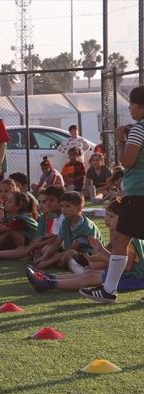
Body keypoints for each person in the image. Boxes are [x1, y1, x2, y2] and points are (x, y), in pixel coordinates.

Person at [80, 85, 144, 303]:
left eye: (132, 105)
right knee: (120, 238)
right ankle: (108, 289)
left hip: (138, 193)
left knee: (121, 238)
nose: (130, 108)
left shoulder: (138, 129)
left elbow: (127, 161)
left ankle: (109, 290)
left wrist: (119, 140)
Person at [28, 199, 143, 294]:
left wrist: (102, 254)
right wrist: (101, 250)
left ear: (124, 220)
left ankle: (48, 283)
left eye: (111, 216)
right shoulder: (121, 236)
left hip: (135, 279)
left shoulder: (129, 239)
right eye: (107, 215)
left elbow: (127, 266)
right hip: (128, 275)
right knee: (89, 274)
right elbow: (118, 260)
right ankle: (47, 277)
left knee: (90, 277)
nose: (107, 218)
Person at [34, 191, 103, 270]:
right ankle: (55, 261)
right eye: (62, 206)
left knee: (69, 254)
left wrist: (47, 262)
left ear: (79, 208)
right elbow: (57, 242)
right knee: (46, 248)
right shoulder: (66, 221)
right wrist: (43, 257)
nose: (63, 209)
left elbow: (73, 248)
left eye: (67, 206)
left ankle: (55, 263)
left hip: (88, 256)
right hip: (69, 251)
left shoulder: (86, 226)